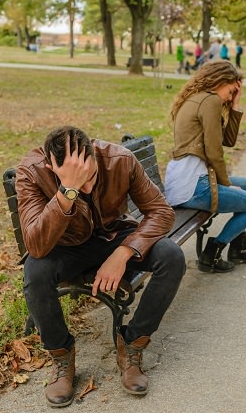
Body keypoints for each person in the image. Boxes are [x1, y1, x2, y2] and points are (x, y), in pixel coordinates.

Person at [16, 126, 186, 407]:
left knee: (172, 255)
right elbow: (36, 245)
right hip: (66, 244)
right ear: (51, 166)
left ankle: (131, 347)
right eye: (74, 182)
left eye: (90, 176)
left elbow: (161, 212)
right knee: (36, 272)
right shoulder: (32, 171)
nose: (86, 188)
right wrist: (66, 191)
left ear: (94, 154)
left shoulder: (119, 159)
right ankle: (61, 359)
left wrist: (123, 253)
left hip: (113, 236)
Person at [164, 61, 246, 273]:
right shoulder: (209, 101)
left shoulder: (200, 98)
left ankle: (238, 249)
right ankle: (213, 251)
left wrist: (235, 105)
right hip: (192, 186)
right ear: (221, 81)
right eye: (231, 91)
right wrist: (226, 184)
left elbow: (227, 141)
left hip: (187, 180)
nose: (230, 97)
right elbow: (213, 152)